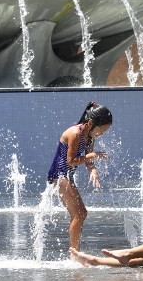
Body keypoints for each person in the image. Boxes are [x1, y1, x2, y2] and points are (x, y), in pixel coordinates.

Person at [47, 102, 112, 251]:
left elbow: (87, 158)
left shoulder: (89, 136)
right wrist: (93, 155)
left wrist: (93, 170)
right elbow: (72, 160)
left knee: (80, 214)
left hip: (66, 176)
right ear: (90, 123)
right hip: (59, 175)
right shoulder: (75, 133)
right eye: (101, 130)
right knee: (80, 213)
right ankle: (74, 253)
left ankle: (75, 252)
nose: (101, 134)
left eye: (104, 131)